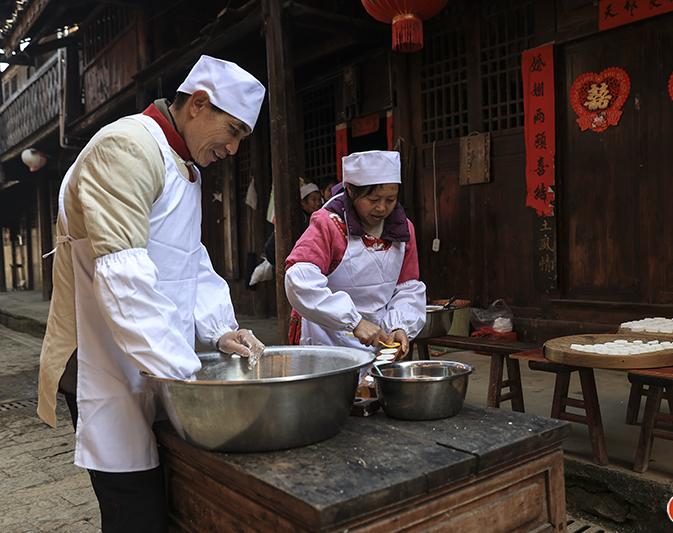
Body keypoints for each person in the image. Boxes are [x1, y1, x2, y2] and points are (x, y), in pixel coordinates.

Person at [37, 55, 267, 532]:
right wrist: (190, 380)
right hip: (108, 365)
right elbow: (124, 279)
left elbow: (188, 260)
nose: (235, 147)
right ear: (199, 105)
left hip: (159, 362)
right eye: (235, 130)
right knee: (135, 509)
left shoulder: (184, 165)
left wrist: (221, 330)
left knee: (177, 498)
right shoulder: (126, 148)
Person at [284, 150, 426, 359]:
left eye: (390, 199)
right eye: (373, 199)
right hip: (328, 338)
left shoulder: (403, 229)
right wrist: (354, 322)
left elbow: (407, 287)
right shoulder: (329, 223)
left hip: (380, 338)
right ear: (350, 190)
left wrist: (400, 325)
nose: (381, 208)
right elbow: (299, 281)